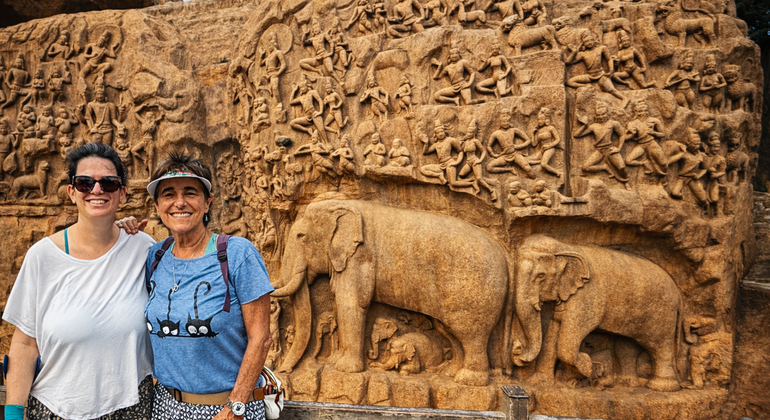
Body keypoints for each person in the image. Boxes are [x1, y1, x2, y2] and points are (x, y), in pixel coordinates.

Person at [3, 143, 155, 420]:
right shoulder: (42, 257)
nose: (96, 190)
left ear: (122, 194)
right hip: (55, 407)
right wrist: (13, 414)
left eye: (108, 183)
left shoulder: (143, 249)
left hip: (131, 405)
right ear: (72, 192)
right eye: (85, 183)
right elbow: (25, 345)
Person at [143, 152, 273, 420]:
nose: (179, 202)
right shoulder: (155, 257)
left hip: (227, 409)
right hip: (166, 407)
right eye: (168, 194)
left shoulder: (237, 254)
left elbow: (261, 339)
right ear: (157, 206)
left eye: (190, 193)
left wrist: (235, 407)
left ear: (207, 202)